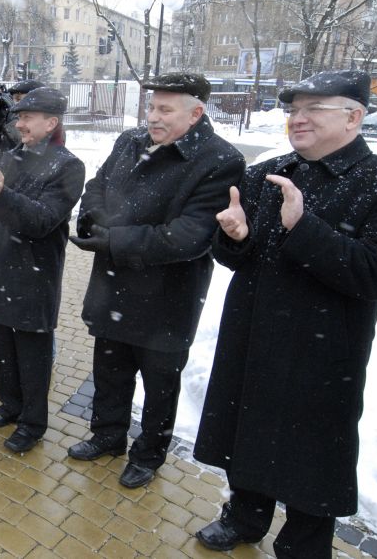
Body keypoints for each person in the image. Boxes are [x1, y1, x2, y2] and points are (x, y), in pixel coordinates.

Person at [193, 70, 377, 556]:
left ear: (354, 117)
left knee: (312, 460)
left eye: (314, 108)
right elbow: (237, 257)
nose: (298, 118)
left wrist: (303, 227)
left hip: (322, 355)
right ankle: (245, 518)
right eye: (294, 109)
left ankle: (303, 545)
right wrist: (234, 237)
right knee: (247, 435)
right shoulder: (267, 173)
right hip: (253, 338)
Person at [67, 72, 244, 488]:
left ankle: (148, 454)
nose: (152, 117)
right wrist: (95, 218)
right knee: (110, 372)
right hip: (114, 285)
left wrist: (113, 239)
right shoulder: (130, 141)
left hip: (167, 298)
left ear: (196, 114)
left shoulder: (220, 160)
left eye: (165, 109)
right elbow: (97, 185)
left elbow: (189, 236)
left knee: (160, 385)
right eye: (151, 107)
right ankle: (107, 435)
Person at [0, 87, 85, 453]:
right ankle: (9, 405)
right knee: (5, 346)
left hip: (33, 273)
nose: (19, 124)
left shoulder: (67, 165)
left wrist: (0, 194)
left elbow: (42, 220)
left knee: (32, 354)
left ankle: (32, 422)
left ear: (51, 123)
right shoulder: (11, 156)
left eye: (27, 118)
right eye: (19, 117)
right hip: (1, 267)